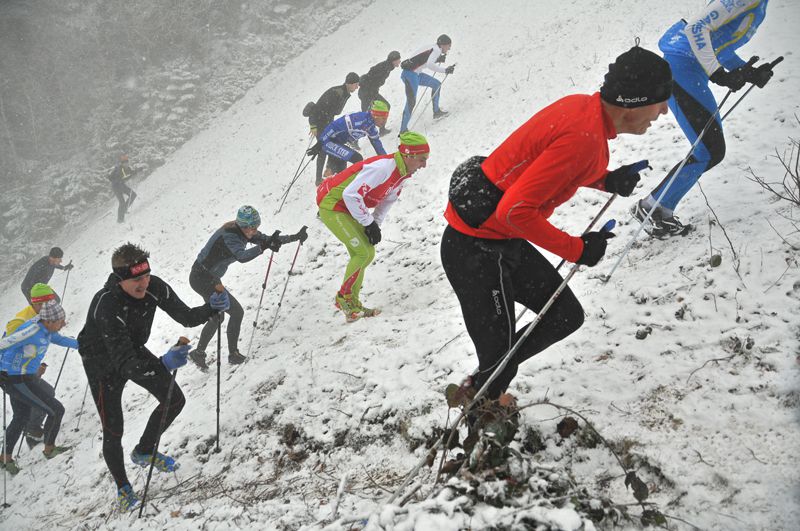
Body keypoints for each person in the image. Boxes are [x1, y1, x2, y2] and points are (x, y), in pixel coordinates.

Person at [440, 46, 672, 401]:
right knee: (498, 360)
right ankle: (481, 416)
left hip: (499, 242)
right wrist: (578, 249)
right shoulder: (585, 135)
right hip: (475, 252)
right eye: (660, 101)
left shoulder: (584, 110)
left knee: (563, 315)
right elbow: (515, 211)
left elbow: (550, 167)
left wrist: (606, 181)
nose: (664, 110)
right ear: (633, 103)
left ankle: (487, 380)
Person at [77, 243, 230, 510]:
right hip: (102, 363)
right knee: (114, 429)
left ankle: (145, 450)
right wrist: (163, 362)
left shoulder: (154, 287)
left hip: (132, 350)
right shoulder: (107, 305)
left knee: (175, 399)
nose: (144, 284)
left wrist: (211, 307)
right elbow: (124, 364)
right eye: (137, 279)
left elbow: (186, 316)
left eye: (146, 275)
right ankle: (124, 489)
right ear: (121, 278)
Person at [631, 0, 773, 237]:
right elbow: (696, 28)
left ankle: (656, 207)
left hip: (689, 68)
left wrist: (746, 71)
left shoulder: (759, 5)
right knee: (709, 151)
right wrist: (718, 73)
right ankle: (652, 207)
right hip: (681, 67)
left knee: (708, 150)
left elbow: (719, 42)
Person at [317, 132, 431, 322]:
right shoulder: (383, 168)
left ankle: (352, 304)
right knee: (362, 253)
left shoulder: (402, 174)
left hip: (348, 207)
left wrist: (375, 226)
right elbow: (351, 195)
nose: (424, 165)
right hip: (332, 204)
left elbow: (386, 202)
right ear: (409, 155)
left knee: (367, 252)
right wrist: (367, 223)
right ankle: (344, 299)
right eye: (421, 159)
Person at [188, 206, 308, 369]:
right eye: (253, 228)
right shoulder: (230, 236)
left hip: (209, 277)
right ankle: (233, 355)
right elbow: (242, 257)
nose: (255, 231)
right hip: (202, 278)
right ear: (243, 226)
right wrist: (264, 247)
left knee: (218, 316)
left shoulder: (243, 230)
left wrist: (295, 237)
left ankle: (199, 353)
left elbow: (266, 239)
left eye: (256, 227)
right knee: (236, 312)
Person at [0, 300, 78, 475]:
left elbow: (61, 339)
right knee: (56, 410)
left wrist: (85, 345)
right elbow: (3, 344)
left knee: (21, 416)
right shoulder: (30, 331)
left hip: (24, 375)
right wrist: (2, 369)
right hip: (14, 378)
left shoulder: (47, 330)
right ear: (49, 321)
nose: (63, 323)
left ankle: (4, 458)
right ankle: (49, 450)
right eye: (60, 321)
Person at [5, 283, 60, 449]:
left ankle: (28, 435)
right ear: (36, 303)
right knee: (44, 396)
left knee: (21, 414)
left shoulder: (39, 317)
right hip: (12, 374)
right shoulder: (20, 321)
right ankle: (32, 430)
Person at [305, 73, 361, 185]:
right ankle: (320, 178)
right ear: (350, 84)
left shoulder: (344, 92)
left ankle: (329, 171)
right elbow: (318, 108)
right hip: (320, 123)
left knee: (330, 146)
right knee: (323, 148)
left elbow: (332, 112)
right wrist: (313, 125)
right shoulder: (336, 93)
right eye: (356, 84)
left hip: (327, 122)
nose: (357, 87)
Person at [311, 101, 389, 177]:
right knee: (357, 158)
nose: (385, 121)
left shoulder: (371, 128)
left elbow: (379, 148)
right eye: (383, 118)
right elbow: (334, 126)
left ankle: (336, 180)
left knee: (342, 169)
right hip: (328, 141)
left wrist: (387, 162)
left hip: (338, 143)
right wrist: (320, 143)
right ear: (376, 116)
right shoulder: (358, 119)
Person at [399, 34, 455, 133]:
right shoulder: (436, 50)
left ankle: (436, 112)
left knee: (436, 84)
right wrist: (445, 70)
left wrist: (438, 59)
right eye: (448, 46)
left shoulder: (433, 47)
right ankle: (403, 130)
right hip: (410, 75)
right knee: (411, 102)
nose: (449, 48)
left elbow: (422, 59)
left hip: (415, 74)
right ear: (442, 45)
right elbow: (429, 64)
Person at [358, 51, 401, 135]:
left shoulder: (387, 67)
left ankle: (382, 130)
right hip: (366, 93)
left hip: (371, 92)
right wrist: (371, 95)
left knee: (386, 106)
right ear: (393, 61)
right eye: (398, 59)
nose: (399, 61)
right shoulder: (384, 67)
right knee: (365, 116)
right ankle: (353, 140)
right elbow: (370, 76)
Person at [107, 153, 138, 223]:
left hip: (121, 185)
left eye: (127, 162)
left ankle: (124, 210)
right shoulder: (119, 169)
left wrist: (139, 170)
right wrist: (130, 176)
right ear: (122, 163)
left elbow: (132, 172)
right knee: (122, 202)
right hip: (116, 187)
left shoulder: (127, 168)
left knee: (133, 195)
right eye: (125, 163)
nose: (127, 164)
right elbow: (122, 178)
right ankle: (120, 220)